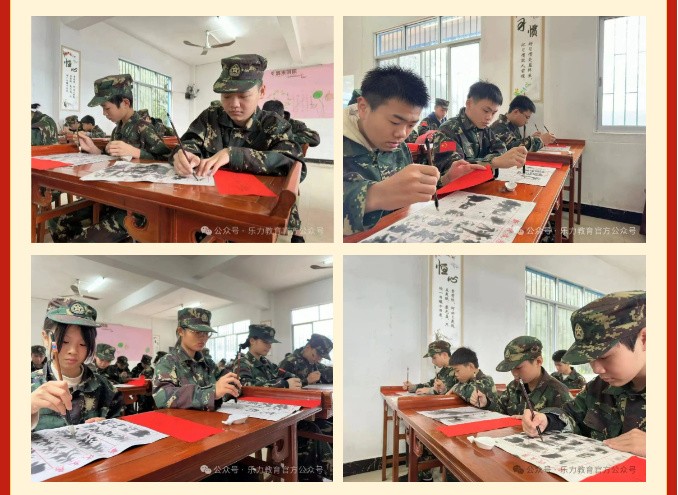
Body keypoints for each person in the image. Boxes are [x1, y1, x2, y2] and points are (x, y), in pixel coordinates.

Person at [171, 55, 305, 239]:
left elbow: (292, 163)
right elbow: (189, 141)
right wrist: (185, 154)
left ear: (261, 91)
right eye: (226, 96)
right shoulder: (211, 116)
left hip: (254, 209)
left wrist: (234, 155)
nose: (234, 104)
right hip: (211, 204)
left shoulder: (274, 124)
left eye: (243, 96)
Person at [343, 66, 486, 235]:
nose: (402, 134)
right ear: (363, 108)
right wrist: (373, 196)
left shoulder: (398, 146)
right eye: (395, 122)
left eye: (411, 125)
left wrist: (446, 179)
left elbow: (408, 193)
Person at [48, 75, 171, 243]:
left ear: (125, 103)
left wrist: (136, 152)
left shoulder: (144, 128)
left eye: (107, 108)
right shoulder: (117, 129)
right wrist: (94, 150)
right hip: (112, 197)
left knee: (85, 241)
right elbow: (114, 162)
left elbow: (167, 161)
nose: (104, 113)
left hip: (136, 205)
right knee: (57, 222)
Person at [522, 291, 646, 457]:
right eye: (589, 359)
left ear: (644, 339)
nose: (596, 369)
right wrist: (546, 420)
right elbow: (571, 415)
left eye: (604, 356)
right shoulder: (599, 387)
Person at [30, 299, 123, 431]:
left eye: (83, 344)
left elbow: (122, 427)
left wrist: (109, 427)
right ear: (46, 338)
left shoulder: (107, 389)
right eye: (65, 341)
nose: (73, 351)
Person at [432, 81, 528, 180]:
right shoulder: (448, 130)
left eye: (494, 113)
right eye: (486, 111)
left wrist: (495, 160)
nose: (489, 117)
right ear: (469, 104)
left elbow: (501, 149)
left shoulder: (484, 129)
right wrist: (493, 162)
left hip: (481, 183)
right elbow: (456, 169)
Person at [153, 308, 241, 410]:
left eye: (206, 333)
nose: (203, 338)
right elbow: (162, 397)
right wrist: (212, 393)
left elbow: (226, 384)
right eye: (197, 332)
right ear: (181, 331)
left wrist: (231, 385)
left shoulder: (208, 364)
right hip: (182, 419)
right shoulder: (167, 362)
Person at [474, 336, 572, 415]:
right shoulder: (513, 386)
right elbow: (501, 410)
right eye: (511, 369)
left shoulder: (558, 391)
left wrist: (539, 423)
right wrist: (487, 403)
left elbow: (569, 426)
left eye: (518, 368)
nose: (514, 373)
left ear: (538, 361)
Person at [235, 324, 301, 388]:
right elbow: (245, 386)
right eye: (265, 342)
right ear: (252, 341)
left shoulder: (266, 363)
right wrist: (284, 384)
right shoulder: (241, 363)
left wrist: (296, 380)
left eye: (270, 343)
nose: (269, 346)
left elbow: (286, 374)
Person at [490, 95, 555, 151]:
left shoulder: (513, 125)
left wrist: (532, 138)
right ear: (516, 112)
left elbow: (517, 142)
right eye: (527, 117)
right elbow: (513, 148)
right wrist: (540, 140)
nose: (527, 122)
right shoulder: (499, 126)